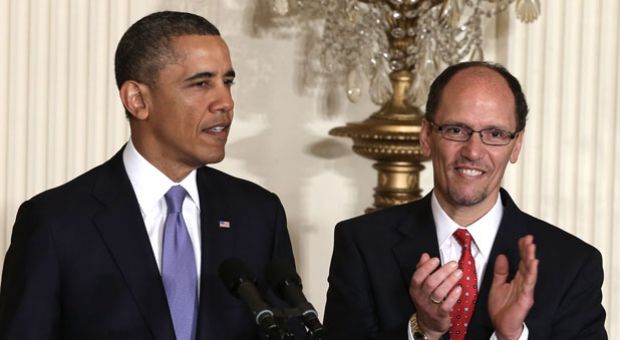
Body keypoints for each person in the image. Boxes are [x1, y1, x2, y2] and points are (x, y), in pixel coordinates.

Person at [0, 11, 300, 340]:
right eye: (201, 83)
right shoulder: (55, 223)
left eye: (227, 82)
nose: (225, 102)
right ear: (138, 100)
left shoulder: (258, 213)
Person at [323, 61, 607, 339]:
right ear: (426, 136)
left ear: (516, 144)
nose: (473, 151)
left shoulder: (573, 264)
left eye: (494, 134)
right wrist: (423, 330)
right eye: (456, 130)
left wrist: (511, 337)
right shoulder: (363, 243)